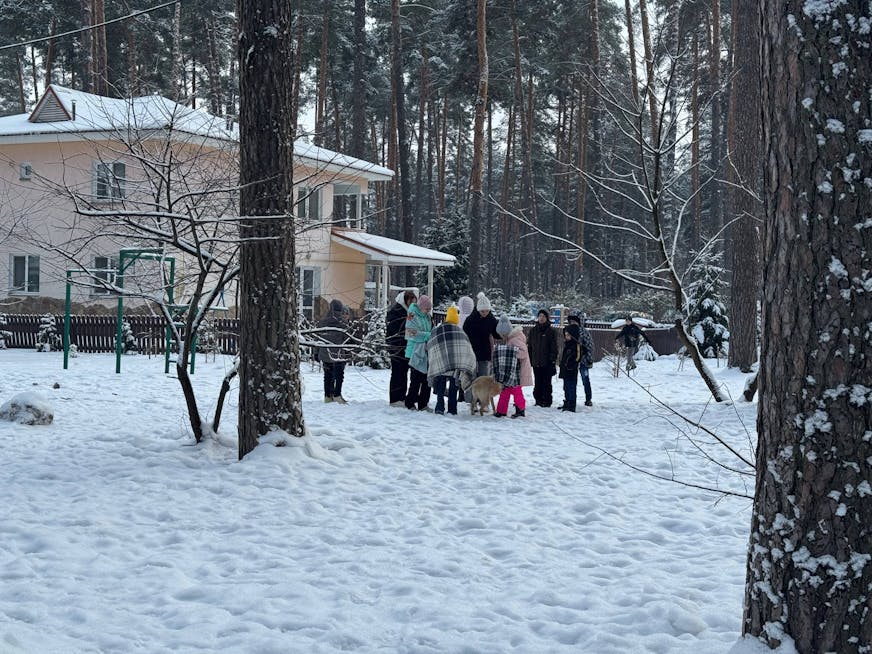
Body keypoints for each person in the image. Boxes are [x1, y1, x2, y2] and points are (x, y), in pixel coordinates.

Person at [426, 305, 476, 415]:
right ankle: (452, 409)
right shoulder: (460, 332)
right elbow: (466, 348)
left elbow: (431, 344)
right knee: (454, 387)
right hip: (455, 367)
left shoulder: (438, 330)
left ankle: (439, 407)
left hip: (441, 365)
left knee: (441, 386)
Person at [493, 314, 532, 418]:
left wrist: (510, 353)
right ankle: (501, 410)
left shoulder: (514, 339)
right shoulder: (510, 339)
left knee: (516, 390)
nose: (501, 337)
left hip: (518, 372)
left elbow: (523, 352)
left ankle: (520, 409)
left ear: (505, 333)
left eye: (502, 335)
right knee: (505, 389)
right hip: (512, 371)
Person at [386, 289, 417, 406]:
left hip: (404, 346)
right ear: (406, 300)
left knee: (403, 372)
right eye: (411, 301)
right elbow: (398, 330)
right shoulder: (397, 312)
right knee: (397, 373)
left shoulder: (407, 312)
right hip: (397, 346)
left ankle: (401, 397)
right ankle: (395, 398)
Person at [317, 299, 351, 404]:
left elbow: (317, 339)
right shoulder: (342, 323)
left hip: (325, 353)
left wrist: (316, 353)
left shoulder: (322, 322)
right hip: (338, 354)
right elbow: (347, 339)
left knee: (327, 375)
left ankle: (327, 396)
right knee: (339, 375)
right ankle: (337, 395)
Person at [404, 294, 433, 410]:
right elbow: (411, 334)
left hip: (426, 351)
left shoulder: (427, 317)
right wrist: (428, 335)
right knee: (416, 380)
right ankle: (410, 402)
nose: (428, 311)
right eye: (426, 309)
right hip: (414, 352)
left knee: (427, 379)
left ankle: (423, 403)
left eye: (429, 309)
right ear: (421, 307)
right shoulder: (412, 315)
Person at [463, 291, 501, 377]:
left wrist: (502, 334)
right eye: (482, 311)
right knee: (470, 376)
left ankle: (482, 390)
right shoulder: (470, 319)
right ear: (478, 309)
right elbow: (464, 333)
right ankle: (469, 390)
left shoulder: (491, 319)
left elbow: (495, 333)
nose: (485, 313)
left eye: (487, 311)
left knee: (483, 376)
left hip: (484, 351)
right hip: (471, 351)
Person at [527, 308, 558, 407]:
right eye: (540, 316)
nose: (541, 318)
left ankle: (547, 400)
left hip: (547, 361)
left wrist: (552, 360)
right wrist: (530, 359)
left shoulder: (551, 331)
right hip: (536, 361)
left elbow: (554, 347)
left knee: (547, 382)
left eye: (543, 316)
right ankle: (538, 399)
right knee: (538, 381)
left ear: (547, 318)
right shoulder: (533, 330)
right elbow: (530, 346)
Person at [567, 314, 594, 407]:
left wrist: (589, 359)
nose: (572, 323)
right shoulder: (569, 331)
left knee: (585, 379)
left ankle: (588, 398)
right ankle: (570, 399)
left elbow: (589, 346)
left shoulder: (584, 332)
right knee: (571, 381)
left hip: (583, 361)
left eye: (574, 322)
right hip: (572, 361)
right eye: (571, 322)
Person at [558, 323, 581, 412]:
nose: (566, 337)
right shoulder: (567, 345)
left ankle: (572, 404)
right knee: (566, 387)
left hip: (571, 371)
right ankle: (567, 402)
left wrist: (572, 365)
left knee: (571, 388)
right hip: (565, 370)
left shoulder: (576, 345)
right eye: (565, 335)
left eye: (568, 335)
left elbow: (578, 357)